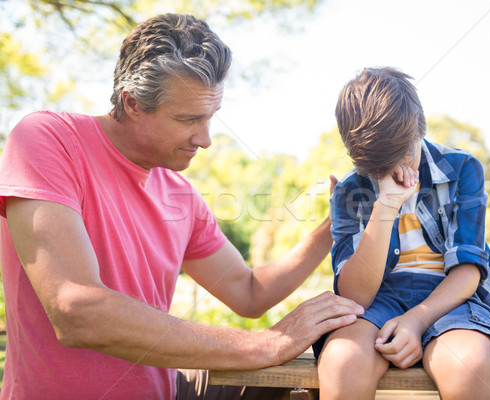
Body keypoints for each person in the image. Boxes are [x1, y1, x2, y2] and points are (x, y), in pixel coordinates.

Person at [0, 14, 364, 400]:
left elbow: (249, 292)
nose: (205, 138)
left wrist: (332, 226)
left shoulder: (180, 193)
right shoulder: (48, 140)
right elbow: (76, 309)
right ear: (133, 102)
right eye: (189, 119)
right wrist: (264, 344)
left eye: (210, 117)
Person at [314, 67, 490, 400]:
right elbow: (355, 296)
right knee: (342, 360)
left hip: (449, 297)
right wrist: (386, 205)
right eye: (381, 168)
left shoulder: (461, 169)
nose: (399, 172)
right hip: (377, 300)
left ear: (419, 130)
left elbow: (468, 271)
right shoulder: (349, 191)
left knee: (470, 362)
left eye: (405, 155)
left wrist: (416, 320)